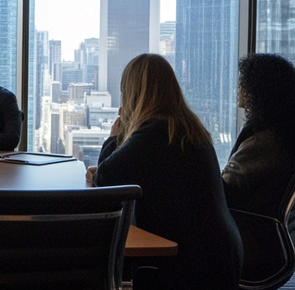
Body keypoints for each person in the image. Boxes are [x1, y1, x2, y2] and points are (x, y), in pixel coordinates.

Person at [86, 54, 241, 290]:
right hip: (218, 254)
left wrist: (113, 138)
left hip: (188, 263)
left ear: (133, 93)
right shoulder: (186, 126)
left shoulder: (154, 131)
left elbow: (106, 179)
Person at [221, 54, 295, 276]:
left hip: (251, 245)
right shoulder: (282, 135)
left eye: (242, 83)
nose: (238, 88)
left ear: (258, 91)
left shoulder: (264, 143)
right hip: (268, 241)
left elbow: (224, 193)